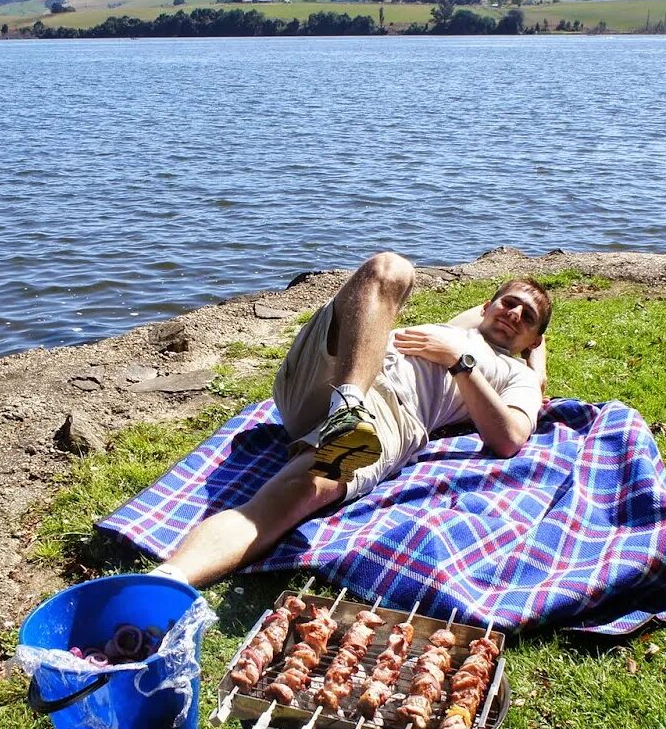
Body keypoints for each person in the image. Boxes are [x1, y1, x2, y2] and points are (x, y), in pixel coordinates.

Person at [155, 251, 551, 588]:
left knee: (298, 490)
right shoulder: (459, 326)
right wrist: (493, 331)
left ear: (532, 339)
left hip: (394, 412)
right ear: (485, 307)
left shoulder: (514, 374)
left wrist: (461, 362)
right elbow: (493, 315)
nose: (513, 313)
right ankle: (348, 405)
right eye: (507, 303)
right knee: (390, 267)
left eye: (528, 316)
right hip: (334, 375)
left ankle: (167, 578)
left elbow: (509, 438)